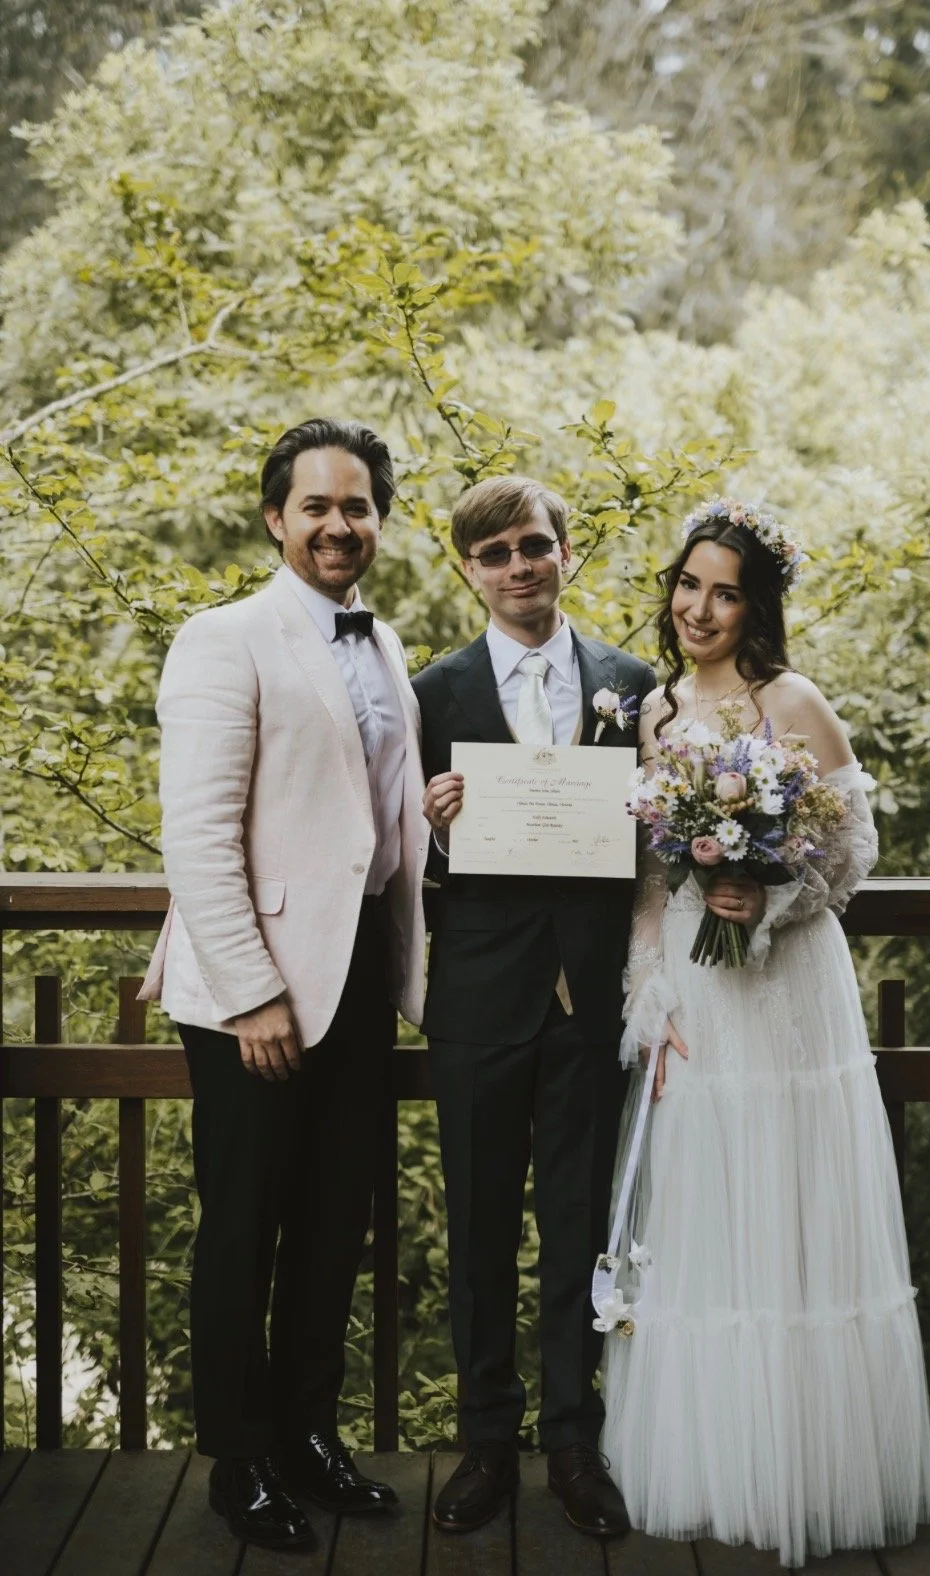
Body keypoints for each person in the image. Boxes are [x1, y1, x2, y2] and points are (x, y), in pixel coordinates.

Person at [600, 500, 930, 1567]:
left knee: (791, 1208)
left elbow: (853, 849)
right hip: (701, 1004)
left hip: (786, 986)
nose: (697, 608)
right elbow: (650, 883)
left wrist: (769, 892)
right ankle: (715, 1461)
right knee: (706, 1212)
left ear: (757, 605)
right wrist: (650, 995)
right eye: (687, 584)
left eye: (724, 590)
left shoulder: (789, 701)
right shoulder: (653, 711)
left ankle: (808, 1465)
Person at [139, 418, 428, 1551]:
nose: (337, 525)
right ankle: (239, 1459)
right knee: (244, 1223)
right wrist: (256, 994)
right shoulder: (224, 639)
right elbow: (199, 837)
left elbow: (369, 815)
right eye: (314, 505)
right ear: (274, 519)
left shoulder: (387, 644)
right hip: (251, 993)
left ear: (377, 520)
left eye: (355, 506)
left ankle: (309, 1433)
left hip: (358, 972)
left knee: (331, 1221)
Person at [413, 475, 657, 1538]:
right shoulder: (433, 692)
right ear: (467, 570)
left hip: (588, 997)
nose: (519, 566)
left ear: (564, 552)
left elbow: (657, 844)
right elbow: (401, 863)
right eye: (495, 552)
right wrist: (432, 823)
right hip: (475, 996)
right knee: (475, 1228)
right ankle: (483, 1445)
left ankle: (570, 1439)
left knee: (579, 1224)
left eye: (534, 545)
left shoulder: (632, 684)